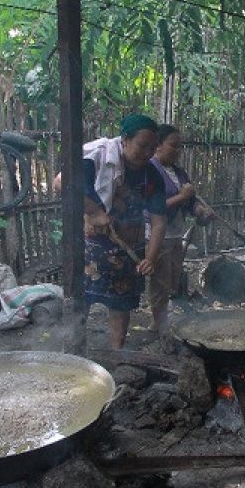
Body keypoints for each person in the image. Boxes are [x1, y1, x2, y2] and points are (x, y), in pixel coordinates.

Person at [81, 114, 168, 348]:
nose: (148, 153)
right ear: (125, 139)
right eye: (142, 145)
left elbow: (159, 221)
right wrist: (95, 211)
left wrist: (149, 258)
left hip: (129, 248)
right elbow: (63, 182)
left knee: (121, 305)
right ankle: (73, 348)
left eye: (153, 148)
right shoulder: (97, 154)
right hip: (91, 246)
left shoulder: (152, 175)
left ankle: (116, 354)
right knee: (82, 299)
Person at [146, 125, 212, 334]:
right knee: (160, 281)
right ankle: (158, 324)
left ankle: (164, 319)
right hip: (157, 236)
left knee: (172, 279)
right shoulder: (150, 171)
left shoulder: (179, 172)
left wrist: (200, 210)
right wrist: (181, 197)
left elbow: (191, 202)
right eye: (173, 146)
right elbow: (150, 209)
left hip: (175, 234)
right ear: (158, 146)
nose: (177, 151)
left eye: (179, 147)